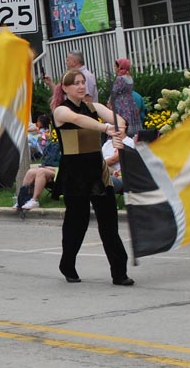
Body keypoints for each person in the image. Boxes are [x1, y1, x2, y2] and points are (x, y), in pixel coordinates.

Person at [52, 69, 133, 286]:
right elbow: (79, 120)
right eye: (76, 83)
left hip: (97, 172)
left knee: (109, 223)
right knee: (77, 223)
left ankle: (119, 273)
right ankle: (67, 264)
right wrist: (106, 127)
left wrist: (119, 129)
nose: (81, 86)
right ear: (66, 88)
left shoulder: (94, 107)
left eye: (83, 82)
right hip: (74, 173)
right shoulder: (61, 111)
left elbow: (120, 121)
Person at [14, 140, 61, 211]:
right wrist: (44, 166)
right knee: (31, 172)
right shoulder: (53, 147)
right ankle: (22, 199)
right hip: (48, 169)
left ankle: (34, 200)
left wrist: (49, 168)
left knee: (41, 171)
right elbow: (46, 162)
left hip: (60, 172)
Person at [107, 58, 141, 137]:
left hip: (122, 104)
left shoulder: (120, 78)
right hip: (130, 102)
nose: (114, 68)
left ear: (120, 67)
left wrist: (109, 102)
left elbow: (114, 91)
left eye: (116, 66)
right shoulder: (129, 77)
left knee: (121, 121)